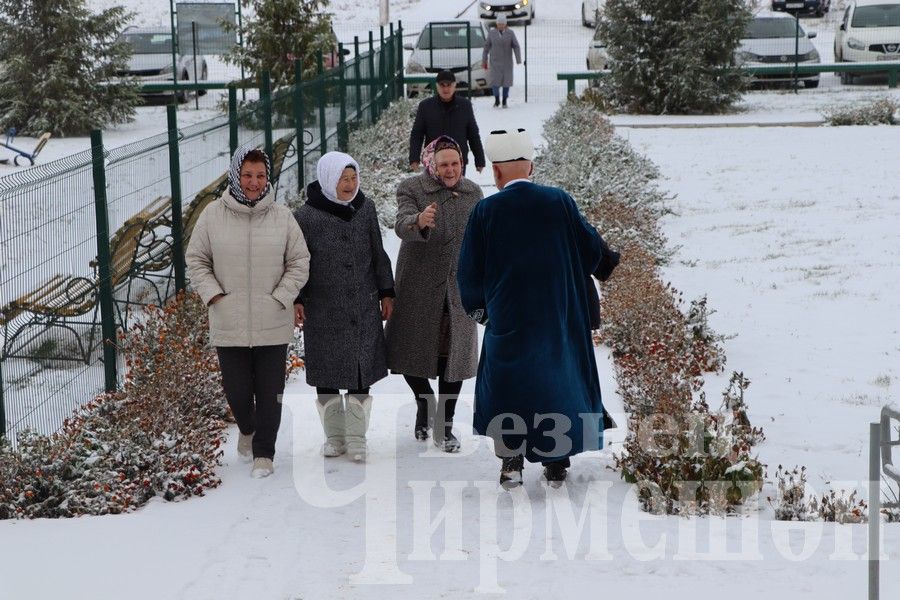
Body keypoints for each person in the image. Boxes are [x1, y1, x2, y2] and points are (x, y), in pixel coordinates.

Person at [457, 128, 620, 488]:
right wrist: (607, 263)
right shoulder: (559, 201)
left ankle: (511, 461)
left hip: (508, 318)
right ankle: (556, 460)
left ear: (496, 173)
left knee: (507, 387)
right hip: (557, 317)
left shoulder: (485, 210)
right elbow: (591, 247)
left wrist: (481, 312)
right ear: (530, 167)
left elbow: (468, 271)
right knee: (556, 382)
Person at [186, 144, 310, 479]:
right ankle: (247, 428)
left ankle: (264, 454)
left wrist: (281, 297)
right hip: (230, 318)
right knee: (238, 393)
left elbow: (299, 261)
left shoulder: (282, 216)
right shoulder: (213, 215)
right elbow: (196, 259)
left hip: (273, 318)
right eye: (248, 175)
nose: (254, 182)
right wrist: (214, 296)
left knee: (270, 392)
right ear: (235, 176)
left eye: (260, 175)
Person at [293, 152, 395, 462]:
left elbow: (378, 252)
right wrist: (297, 298)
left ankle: (357, 436)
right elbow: (298, 261)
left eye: (352, 178)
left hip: (362, 303)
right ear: (327, 179)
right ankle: (335, 436)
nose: (349, 185)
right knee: (326, 371)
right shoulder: (305, 216)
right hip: (321, 306)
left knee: (361, 369)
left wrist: (386, 291)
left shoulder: (365, 208)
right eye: (342, 179)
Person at [386, 136, 483, 452]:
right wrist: (419, 220)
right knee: (409, 351)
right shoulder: (412, 188)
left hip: (458, 288)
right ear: (431, 165)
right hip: (418, 285)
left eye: (455, 163)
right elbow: (400, 223)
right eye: (444, 164)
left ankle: (445, 426)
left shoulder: (472, 193)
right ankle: (424, 401)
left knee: (453, 357)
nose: (451, 169)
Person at [408, 69, 486, 175]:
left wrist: (479, 160)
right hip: (434, 161)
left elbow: (473, 134)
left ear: (454, 85)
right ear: (437, 86)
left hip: (457, 161)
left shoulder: (464, 106)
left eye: (449, 85)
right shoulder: (426, 106)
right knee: (434, 190)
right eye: (442, 85)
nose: (446, 89)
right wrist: (414, 158)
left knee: (456, 191)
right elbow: (417, 134)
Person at [482, 14, 521, 108]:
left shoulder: (510, 33)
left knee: (506, 83)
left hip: (507, 62)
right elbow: (486, 47)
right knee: (495, 82)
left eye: (502, 24)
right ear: (496, 24)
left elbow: (516, 46)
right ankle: (496, 100)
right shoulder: (492, 33)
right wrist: (484, 60)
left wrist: (518, 59)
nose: (501, 25)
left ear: (505, 24)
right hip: (495, 62)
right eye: (499, 24)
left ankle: (504, 100)